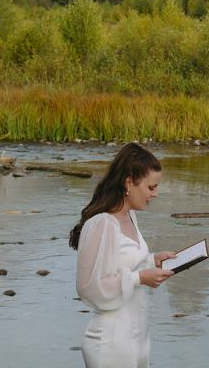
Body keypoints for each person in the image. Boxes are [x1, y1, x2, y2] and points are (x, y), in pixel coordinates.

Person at [69, 143, 176, 368]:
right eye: (151, 187)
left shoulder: (130, 217)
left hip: (137, 334)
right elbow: (89, 287)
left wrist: (152, 260)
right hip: (111, 341)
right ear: (129, 183)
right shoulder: (102, 223)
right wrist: (140, 278)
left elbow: (122, 263)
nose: (155, 194)